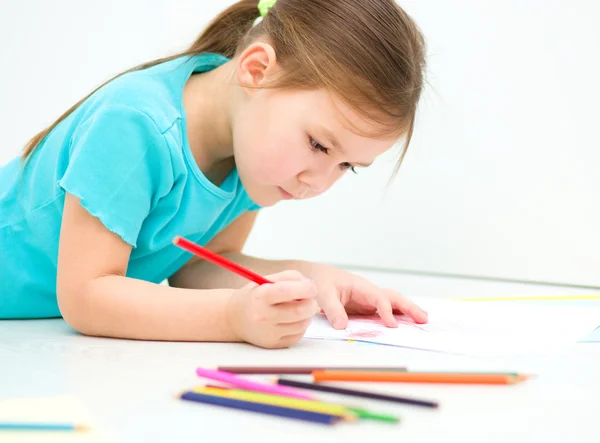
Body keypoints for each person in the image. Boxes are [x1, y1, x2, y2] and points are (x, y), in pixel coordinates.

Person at [0, 0, 428, 349]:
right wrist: (231, 317)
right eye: (318, 145)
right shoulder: (134, 124)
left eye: (346, 166)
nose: (317, 183)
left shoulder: (252, 156)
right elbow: (86, 296)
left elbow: (196, 266)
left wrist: (312, 280)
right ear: (257, 71)